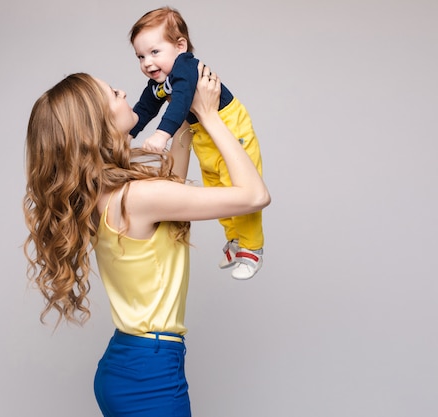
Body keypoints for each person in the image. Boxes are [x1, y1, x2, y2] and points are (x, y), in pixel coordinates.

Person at [23, 63, 270, 416]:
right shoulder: (137, 197)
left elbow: (175, 185)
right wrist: (211, 118)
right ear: (97, 124)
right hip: (149, 375)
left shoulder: (105, 196)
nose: (124, 93)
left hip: (128, 363)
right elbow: (254, 195)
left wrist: (185, 113)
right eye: (113, 93)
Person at [129, 7, 266, 279]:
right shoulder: (160, 80)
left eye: (155, 52)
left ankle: (253, 248)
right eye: (140, 56)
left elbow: (180, 102)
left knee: (236, 186)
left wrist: (162, 134)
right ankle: (234, 239)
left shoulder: (186, 67)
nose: (147, 62)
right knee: (216, 186)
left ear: (180, 46)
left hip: (229, 127)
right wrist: (128, 134)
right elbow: (145, 107)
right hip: (202, 133)